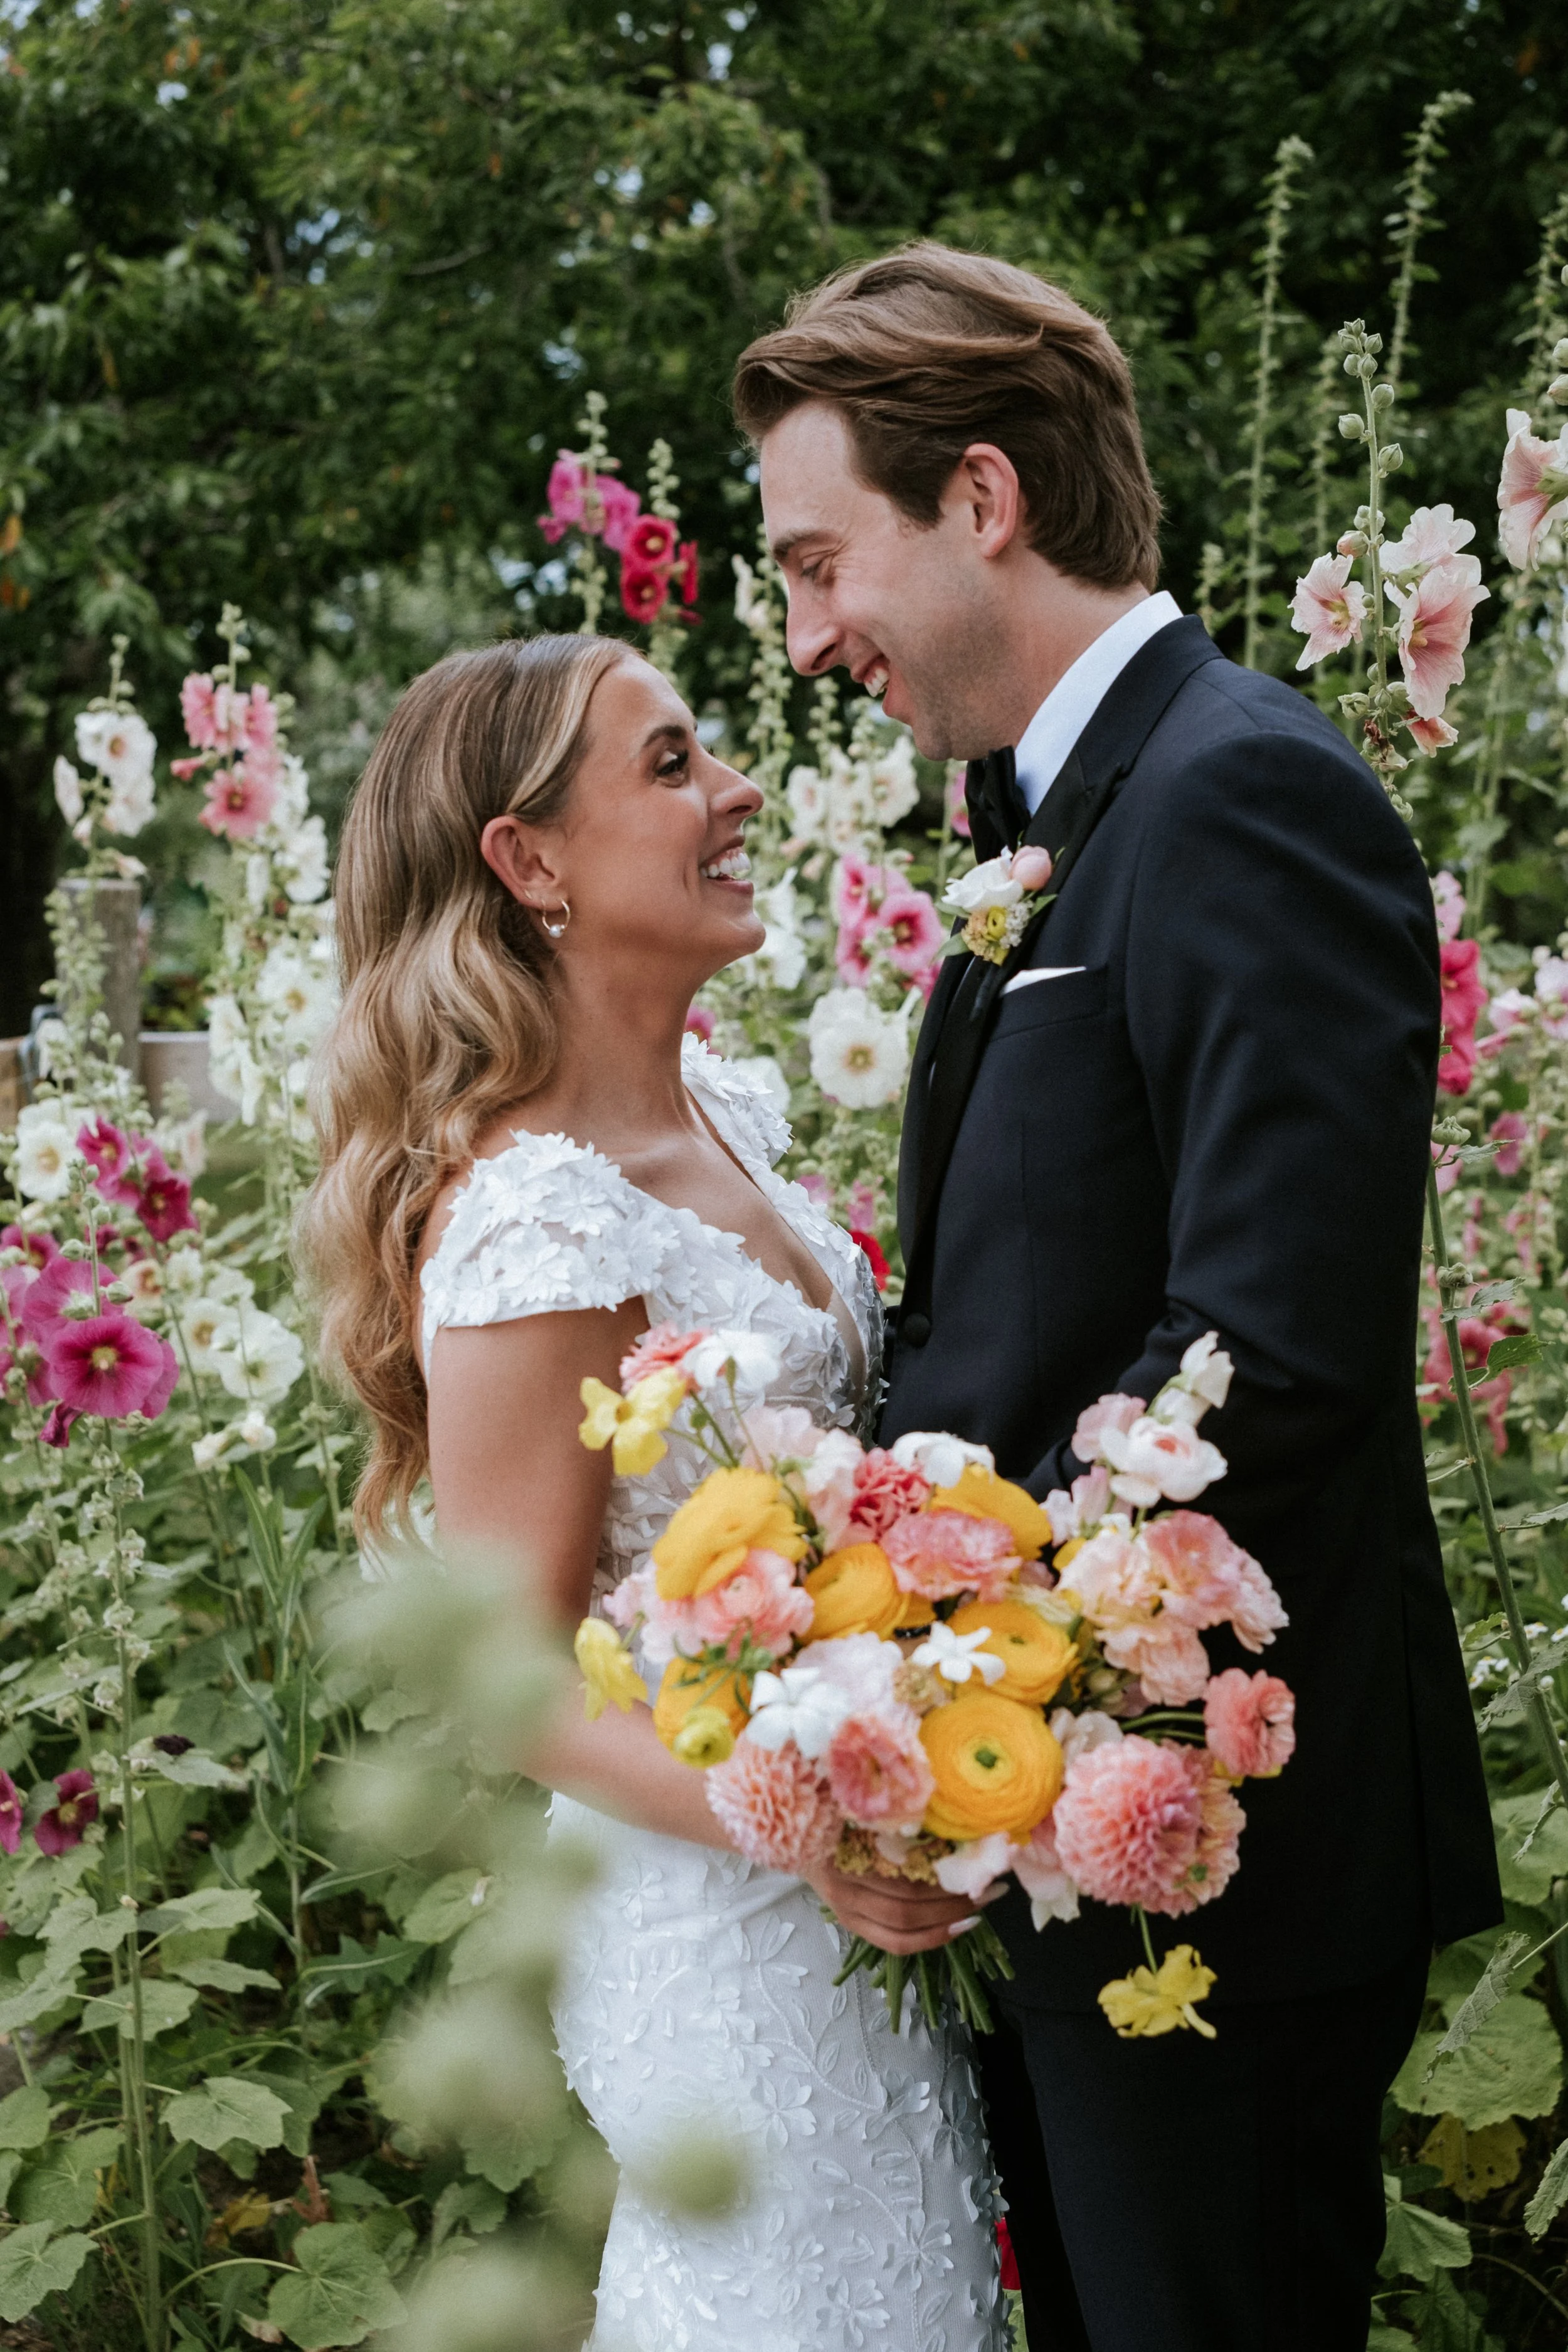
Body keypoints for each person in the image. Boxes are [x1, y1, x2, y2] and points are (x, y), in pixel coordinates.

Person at [735, 242, 1502, 2352]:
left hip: (1210, 1850)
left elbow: (1273, 1347)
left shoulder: (1237, 786)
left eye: (820, 563)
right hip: (1050, 1823)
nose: (809, 638)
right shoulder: (1052, 816)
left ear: (980, 499)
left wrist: (968, 1694)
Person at [300, 634, 1008, 2352]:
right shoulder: (535, 1227)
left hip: (866, 1875)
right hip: (723, 1927)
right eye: (674, 761)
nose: (738, 788)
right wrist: (810, 1822)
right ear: (527, 861)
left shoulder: (730, 1113)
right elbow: (516, 1679)